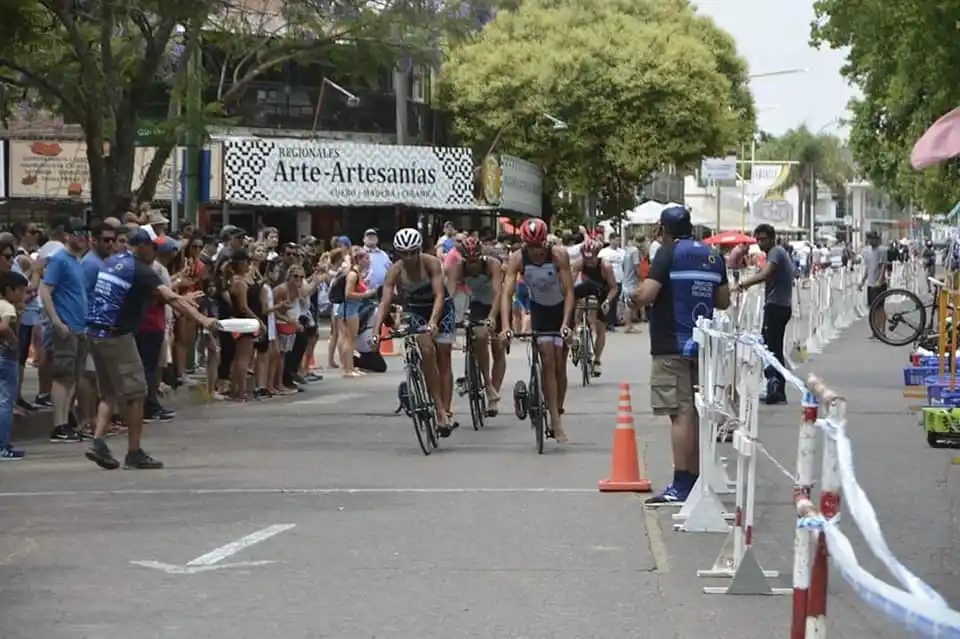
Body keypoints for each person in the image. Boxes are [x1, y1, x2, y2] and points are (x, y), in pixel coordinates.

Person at [84, 226, 219, 471]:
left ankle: (98, 441)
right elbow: (170, 298)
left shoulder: (113, 262)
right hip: (118, 337)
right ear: (142, 246)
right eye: (154, 247)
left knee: (110, 393)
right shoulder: (142, 270)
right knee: (137, 395)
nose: (157, 252)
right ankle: (134, 452)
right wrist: (203, 319)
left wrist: (180, 298)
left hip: (95, 333)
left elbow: (138, 294)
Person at [630, 206, 729, 506]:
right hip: (703, 344)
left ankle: (682, 484)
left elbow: (646, 295)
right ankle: (696, 478)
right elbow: (723, 300)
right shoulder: (713, 255)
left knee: (680, 413)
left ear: (664, 229)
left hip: (671, 343)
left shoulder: (667, 253)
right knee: (696, 412)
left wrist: (632, 296)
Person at [372, 228, 459, 436]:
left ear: (419, 250)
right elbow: (384, 301)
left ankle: (447, 410)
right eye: (404, 253)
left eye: (413, 252)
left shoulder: (431, 263)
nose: (409, 257)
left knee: (443, 357)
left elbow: (439, 295)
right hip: (417, 309)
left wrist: (433, 322)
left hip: (441, 308)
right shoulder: (395, 270)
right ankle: (439, 410)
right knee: (427, 351)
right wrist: (376, 331)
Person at [500, 218, 575, 443]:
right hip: (540, 310)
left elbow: (570, 291)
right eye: (532, 248)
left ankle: (557, 411)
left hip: (560, 309)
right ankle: (554, 419)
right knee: (548, 358)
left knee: (560, 367)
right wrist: (505, 327)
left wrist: (565, 323)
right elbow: (507, 294)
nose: (537, 252)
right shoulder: (517, 258)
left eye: (540, 246)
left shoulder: (559, 255)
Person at [39, 218, 90, 442]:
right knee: (62, 377)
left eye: (84, 233)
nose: (82, 237)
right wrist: (57, 321)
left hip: (80, 327)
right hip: (67, 327)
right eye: (77, 233)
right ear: (67, 235)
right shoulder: (60, 260)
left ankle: (65, 422)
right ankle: (58, 425)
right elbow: (45, 290)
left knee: (72, 378)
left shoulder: (77, 261)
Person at [446, 236, 505, 415]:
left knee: (498, 347)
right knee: (480, 336)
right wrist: (448, 319)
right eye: (469, 261)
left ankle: (493, 396)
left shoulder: (492, 264)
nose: (473, 265)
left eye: (476, 261)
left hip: (497, 304)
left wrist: (493, 317)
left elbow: (497, 292)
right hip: (478, 304)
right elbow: (450, 293)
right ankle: (487, 384)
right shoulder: (459, 268)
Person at [737, 224, 795, 404]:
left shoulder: (776, 252)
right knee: (772, 347)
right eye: (758, 240)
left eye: (763, 239)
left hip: (776, 306)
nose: (760, 243)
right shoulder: (776, 253)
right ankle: (776, 387)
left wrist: (742, 284)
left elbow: (766, 273)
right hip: (778, 305)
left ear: (772, 238)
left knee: (771, 349)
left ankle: (775, 388)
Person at [570, 238, 619, 377]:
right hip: (589, 287)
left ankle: (597, 361)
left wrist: (607, 301)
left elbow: (614, 288)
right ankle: (574, 335)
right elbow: (570, 286)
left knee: (600, 327)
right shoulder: (579, 264)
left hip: (604, 291)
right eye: (586, 260)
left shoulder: (606, 266)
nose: (589, 263)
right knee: (570, 297)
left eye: (591, 259)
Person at [0, 271, 29, 459]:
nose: (22, 296)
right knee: (5, 402)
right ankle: (3, 445)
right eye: (20, 291)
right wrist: (13, 341)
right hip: (6, 357)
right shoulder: (7, 307)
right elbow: (3, 327)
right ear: (9, 290)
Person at [859, 230, 889, 340]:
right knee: (872, 308)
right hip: (870, 283)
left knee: (880, 308)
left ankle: (883, 331)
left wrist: (880, 280)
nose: (871, 241)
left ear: (876, 240)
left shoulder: (882, 250)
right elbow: (867, 268)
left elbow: (883, 266)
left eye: (872, 239)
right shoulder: (867, 252)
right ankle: (875, 330)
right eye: (869, 239)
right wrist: (862, 281)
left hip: (880, 284)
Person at [598, 234, 625, 330]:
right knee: (608, 300)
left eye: (619, 240)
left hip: (619, 278)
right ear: (611, 240)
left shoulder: (622, 252)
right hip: (608, 279)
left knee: (615, 302)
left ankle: (612, 321)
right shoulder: (604, 252)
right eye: (616, 240)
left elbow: (624, 265)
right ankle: (605, 321)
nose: (618, 242)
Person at [354, 302, 387, 373]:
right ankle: (356, 361)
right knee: (381, 367)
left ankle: (353, 359)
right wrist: (398, 313)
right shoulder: (381, 311)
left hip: (356, 341)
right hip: (367, 343)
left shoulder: (366, 307)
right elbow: (394, 326)